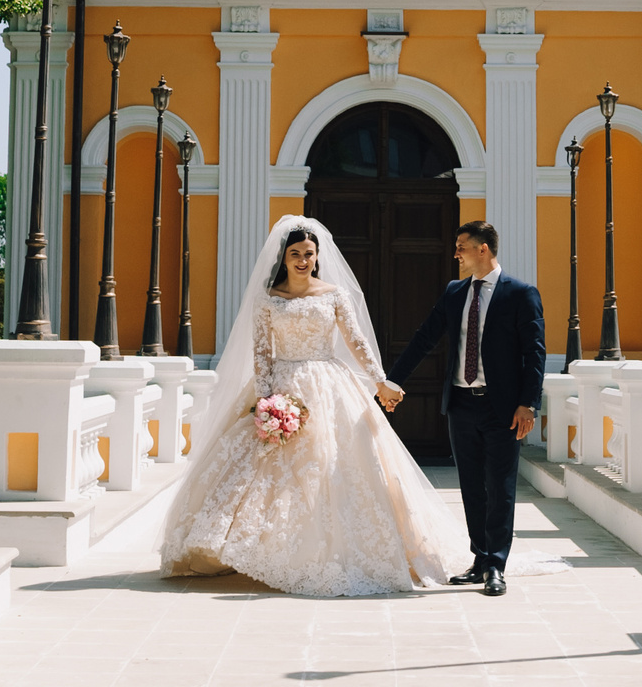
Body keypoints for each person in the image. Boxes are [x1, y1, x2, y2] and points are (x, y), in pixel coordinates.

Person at [159, 215, 468, 596]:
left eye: (308, 254)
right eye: (295, 254)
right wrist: (269, 401)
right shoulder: (268, 299)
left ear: (318, 256)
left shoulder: (334, 294)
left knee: (338, 465)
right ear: (283, 259)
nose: (303, 260)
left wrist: (380, 380)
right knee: (265, 471)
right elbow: (262, 354)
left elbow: (355, 341)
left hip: (330, 383)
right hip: (283, 387)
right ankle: (258, 548)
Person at [389, 221, 543, 596]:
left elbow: (534, 353)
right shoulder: (455, 292)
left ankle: (496, 566)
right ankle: (479, 558)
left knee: (501, 486)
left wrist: (528, 404)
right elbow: (426, 336)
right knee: (472, 487)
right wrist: (394, 380)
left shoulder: (520, 294)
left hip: (503, 407)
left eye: (462, 246)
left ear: (483, 250)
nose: (455, 252)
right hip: (460, 404)